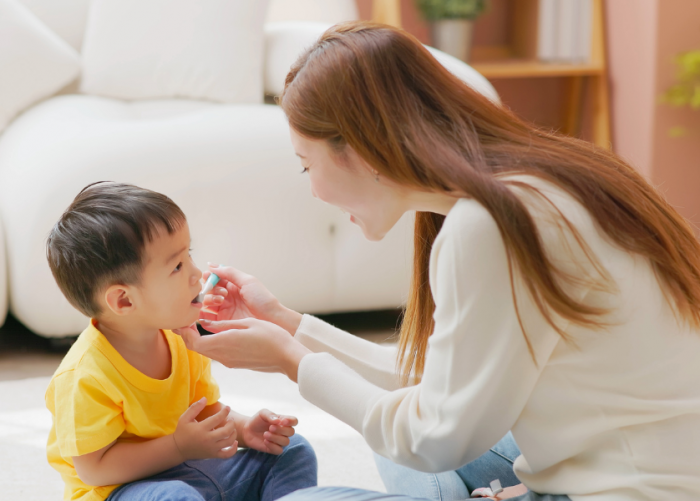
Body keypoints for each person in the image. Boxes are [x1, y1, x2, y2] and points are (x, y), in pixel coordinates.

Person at [177, 21, 700, 501]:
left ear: (358, 150)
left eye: (305, 165)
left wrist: (292, 361)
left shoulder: (491, 225)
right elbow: (439, 386)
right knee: (384, 425)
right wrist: (289, 326)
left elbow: (435, 438)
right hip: (637, 470)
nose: (312, 190)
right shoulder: (531, 184)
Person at [44, 182, 317, 501]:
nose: (196, 273)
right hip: (123, 490)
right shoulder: (84, 377)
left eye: (188, 254)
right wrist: (177, 447)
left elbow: (205, 413)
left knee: (292, 449)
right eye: (176, 266)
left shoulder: (183, 338)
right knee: (174, 496)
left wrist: (245, 430)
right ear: (124, 301)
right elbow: (94, 469)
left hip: (194, 470)